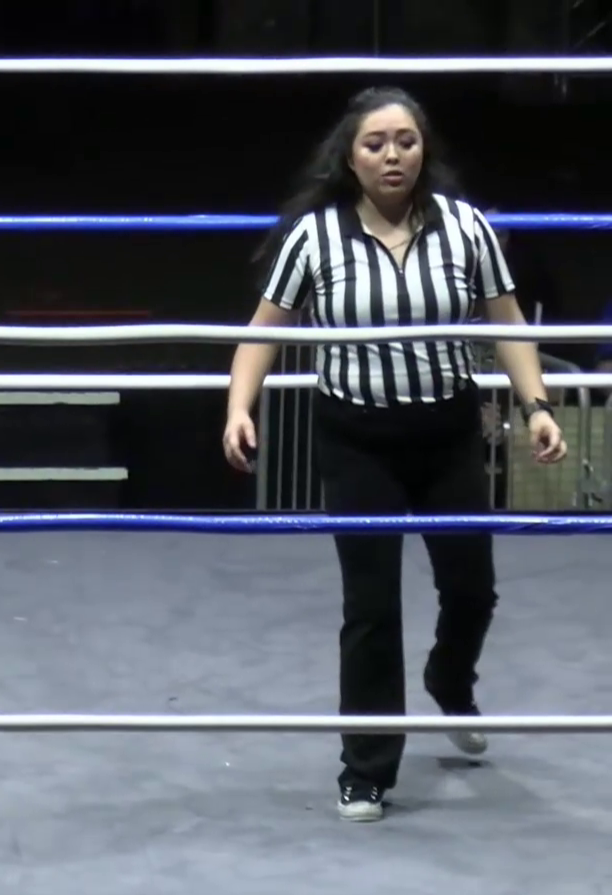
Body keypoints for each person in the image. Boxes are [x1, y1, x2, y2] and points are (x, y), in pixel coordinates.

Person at [221, 87, 566, 823]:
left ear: (423, 149)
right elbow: (263, 330)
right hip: (356, 440)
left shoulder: (466, 228)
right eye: (375, 143)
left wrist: (536, 405)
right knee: (371, 606)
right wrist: (238, 407)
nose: (392, 156)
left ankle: (451, 681)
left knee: (472, 589)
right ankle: (367, 768)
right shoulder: (315, 237)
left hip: (447, 434)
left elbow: (507, 322)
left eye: (405, 141)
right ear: (350, 156)